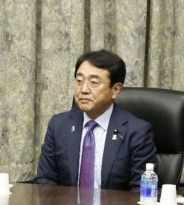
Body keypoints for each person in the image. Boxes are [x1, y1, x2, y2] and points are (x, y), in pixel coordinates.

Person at [33, 49, 157, 192]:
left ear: (116, 89)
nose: (84, 89)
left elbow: (140, 192)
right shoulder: (59, 125)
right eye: (79, 81)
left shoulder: (136, 131)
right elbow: (45, 181)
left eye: (93, 82)